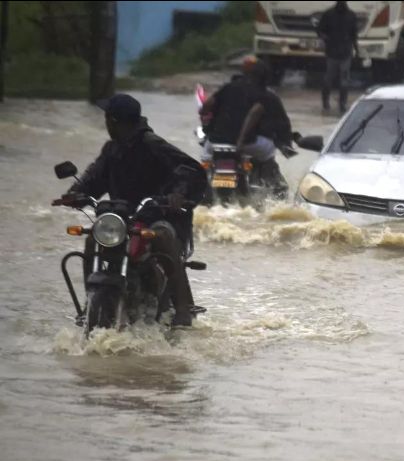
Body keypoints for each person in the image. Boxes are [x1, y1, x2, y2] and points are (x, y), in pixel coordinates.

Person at [55, 94, 208, 326]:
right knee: (92, 239)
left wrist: (178, 193)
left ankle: (183, 309)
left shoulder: (151, 144)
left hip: (157, 214)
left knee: (163, 236)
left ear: (115, 121)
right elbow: (95, 176)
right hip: (120, 217)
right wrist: (76, 193)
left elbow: (192, 169)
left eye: (108, 118)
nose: (106, 123)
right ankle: (91, 302)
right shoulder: (112, 149)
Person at [199, 56, 293, 196]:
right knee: (268, 154)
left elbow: (205, 108)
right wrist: (286, 143)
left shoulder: (228, 88)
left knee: (206, 157)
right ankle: (275, 187)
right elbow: (273, 120)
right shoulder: (267, 95)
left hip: (216, 142)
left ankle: (203, 186)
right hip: (248, 144)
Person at [317, 1, 359, 114]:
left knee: (335, 79)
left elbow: (320, 30)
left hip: (338, 51)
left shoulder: (330, 14)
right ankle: (337, 104)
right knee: (338, 79)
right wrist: (356, 49)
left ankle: (336, 104)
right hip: (339, 51)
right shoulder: (349, 15)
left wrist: (326, 38)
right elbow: (354, 35)